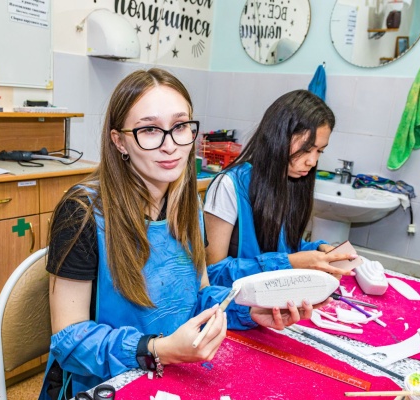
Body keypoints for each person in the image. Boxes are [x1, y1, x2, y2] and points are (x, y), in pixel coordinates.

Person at [39, 69, 316, 399]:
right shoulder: (82, 213)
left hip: (170, 373)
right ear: (119, 141)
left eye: (180, 126)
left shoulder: (188, 206)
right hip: (108, 383)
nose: (170, 145)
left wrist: (248, 309)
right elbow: (69, 341)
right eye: (149, 129)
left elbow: (198, 297)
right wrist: (158, 349)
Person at [204, 90, 357, 287]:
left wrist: (318, 250)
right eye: (306, 149)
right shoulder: (229, 186)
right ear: (278, 138)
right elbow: (213, 273)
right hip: (234, 302)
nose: (312, 161)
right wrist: (289, 263)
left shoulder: (291, 180)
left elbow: (283, 248)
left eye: (320, 151)